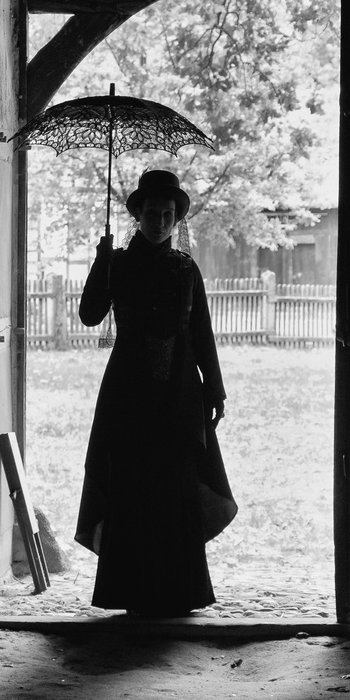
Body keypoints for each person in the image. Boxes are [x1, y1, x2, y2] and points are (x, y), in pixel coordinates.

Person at [74, 169, 237, 616]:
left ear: (175, 219)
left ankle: (179, 595)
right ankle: (131, 594)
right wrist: (99, 261)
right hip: (128, 396)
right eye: (152, 214)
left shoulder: (187, 268)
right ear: (137, 215)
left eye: (167, 215)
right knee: (132, 488)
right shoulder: (119, 265)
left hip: (181, 397)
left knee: (176, 490)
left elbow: (201, 333)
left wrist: (216, 389)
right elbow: (90, 315)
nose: (160, 222)